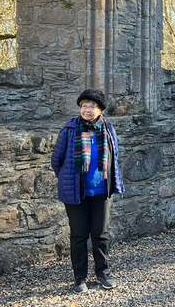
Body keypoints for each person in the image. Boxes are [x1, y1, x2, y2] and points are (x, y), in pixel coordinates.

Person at [52, 88, 125, 293]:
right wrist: (70, 180)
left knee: (101, 235)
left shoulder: (108, 129)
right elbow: (57, 161)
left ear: (100, 110)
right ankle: (79, 278)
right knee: (79, 235)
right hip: (76, 192)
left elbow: (114, 157)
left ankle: (103, 274)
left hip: (102, 191)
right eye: (84, 106)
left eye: (92, 106)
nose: (87, 109)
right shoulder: (69, 130)